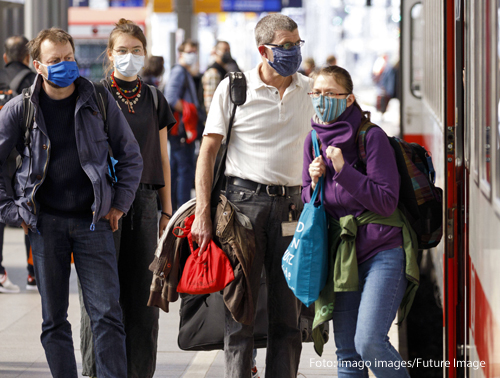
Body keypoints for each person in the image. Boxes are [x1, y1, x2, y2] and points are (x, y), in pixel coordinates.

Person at [0, 27, 143, 378]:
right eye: (55, 61)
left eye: (69, 58)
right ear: (38, 65)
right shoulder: (21, 109)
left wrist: (119, 204)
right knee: (54, 320)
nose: (65, 65)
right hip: (45, 225)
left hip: (93, 222)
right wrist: (13, 208)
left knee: (107, 315)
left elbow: (130, 156)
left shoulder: (96, 99)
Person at [191, 13, 314, 378]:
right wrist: (202, 212)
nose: (294, 52)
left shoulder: (309, 90)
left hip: (293, 210)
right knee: (239, 310)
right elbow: (207, 153)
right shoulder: (234, 89)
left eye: (297, 44)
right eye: (286, 46)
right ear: (264, 50)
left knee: (288, 314)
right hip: (242, 208)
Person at [302, 65, 418, 377]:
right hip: (342, 255)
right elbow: (308, 201)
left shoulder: (372, 137)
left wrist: (344, 171)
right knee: (348, 355)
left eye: (331, 94)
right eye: (317, 93)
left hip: (383, 251)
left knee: (369, 342)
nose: (322, 100)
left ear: (349, 99)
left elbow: (385, 201)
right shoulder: (313, 140)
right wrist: (312, 185)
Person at [79, 19, 176, 378]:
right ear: (110, 54)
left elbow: (162, 158)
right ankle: (97, 370)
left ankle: (137, 372)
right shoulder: (94, 94)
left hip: (147, 205)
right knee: (103, 299)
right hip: (105, 204)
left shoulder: (153, 97)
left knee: (144, 300)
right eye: (122, 50)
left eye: (137, 51)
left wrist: (169, 211)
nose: (130, 57)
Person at [0, 35, 38, 293]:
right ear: (28, 57)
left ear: (5, 57)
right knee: (31, 210)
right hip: (23, 160)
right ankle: (34, 272)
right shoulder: (34, 81)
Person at [165, 39, 202, 211]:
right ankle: (183, 210)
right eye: (189, 51)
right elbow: (171, 98)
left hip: (179, 131)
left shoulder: (184, 71)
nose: (192, 55)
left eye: (194, 51)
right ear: (181, 53)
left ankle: (174, 208)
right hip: (181, 130)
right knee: (184, 171)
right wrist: (189, 111)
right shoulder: (179, 71)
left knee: (177, 169)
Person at [202, 40, 238, 112]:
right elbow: (210, 102)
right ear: (216, 52)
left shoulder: (224, 69)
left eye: (228, 50)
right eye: (225, 50)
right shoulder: (214, 72)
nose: (227, 53)